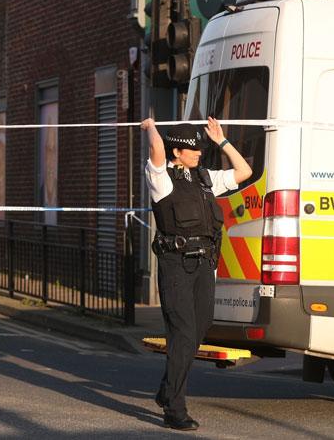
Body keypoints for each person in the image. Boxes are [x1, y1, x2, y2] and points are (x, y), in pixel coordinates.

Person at [141, 116, 252, 431]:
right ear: (177, 152)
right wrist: (150, 127)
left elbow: (244, 172)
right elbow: (157, 150)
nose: (199, 153)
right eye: (194, 150)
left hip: (204, 265)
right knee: (183, 333)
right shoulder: (161, 178)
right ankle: (174, 409)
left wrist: (223, 141)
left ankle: (166, 389)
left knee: (199, 328)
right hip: (176, 264)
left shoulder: (205, 178)